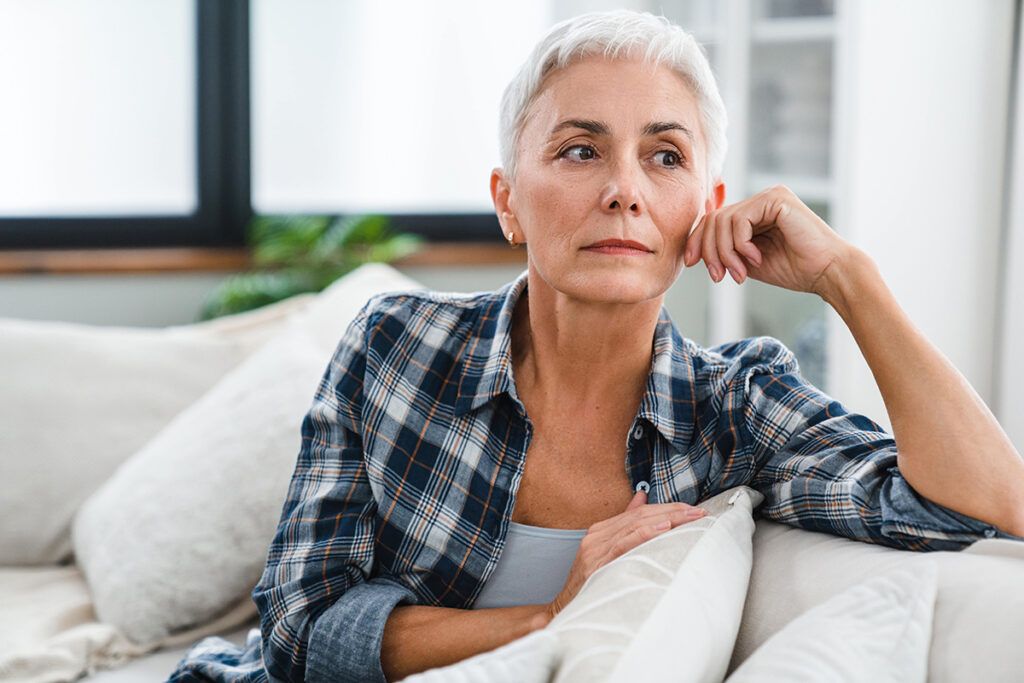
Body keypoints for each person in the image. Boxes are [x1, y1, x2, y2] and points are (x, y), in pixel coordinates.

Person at [167, 9, 1024, 683]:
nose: (623, 190)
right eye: (581, 150)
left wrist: (849, 276)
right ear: (508, 200)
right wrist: (554, 614)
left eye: (664, 156)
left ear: (707, 203)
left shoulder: (735, 407)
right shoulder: (395, 346)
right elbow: (298, 629)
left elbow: (983, 506)